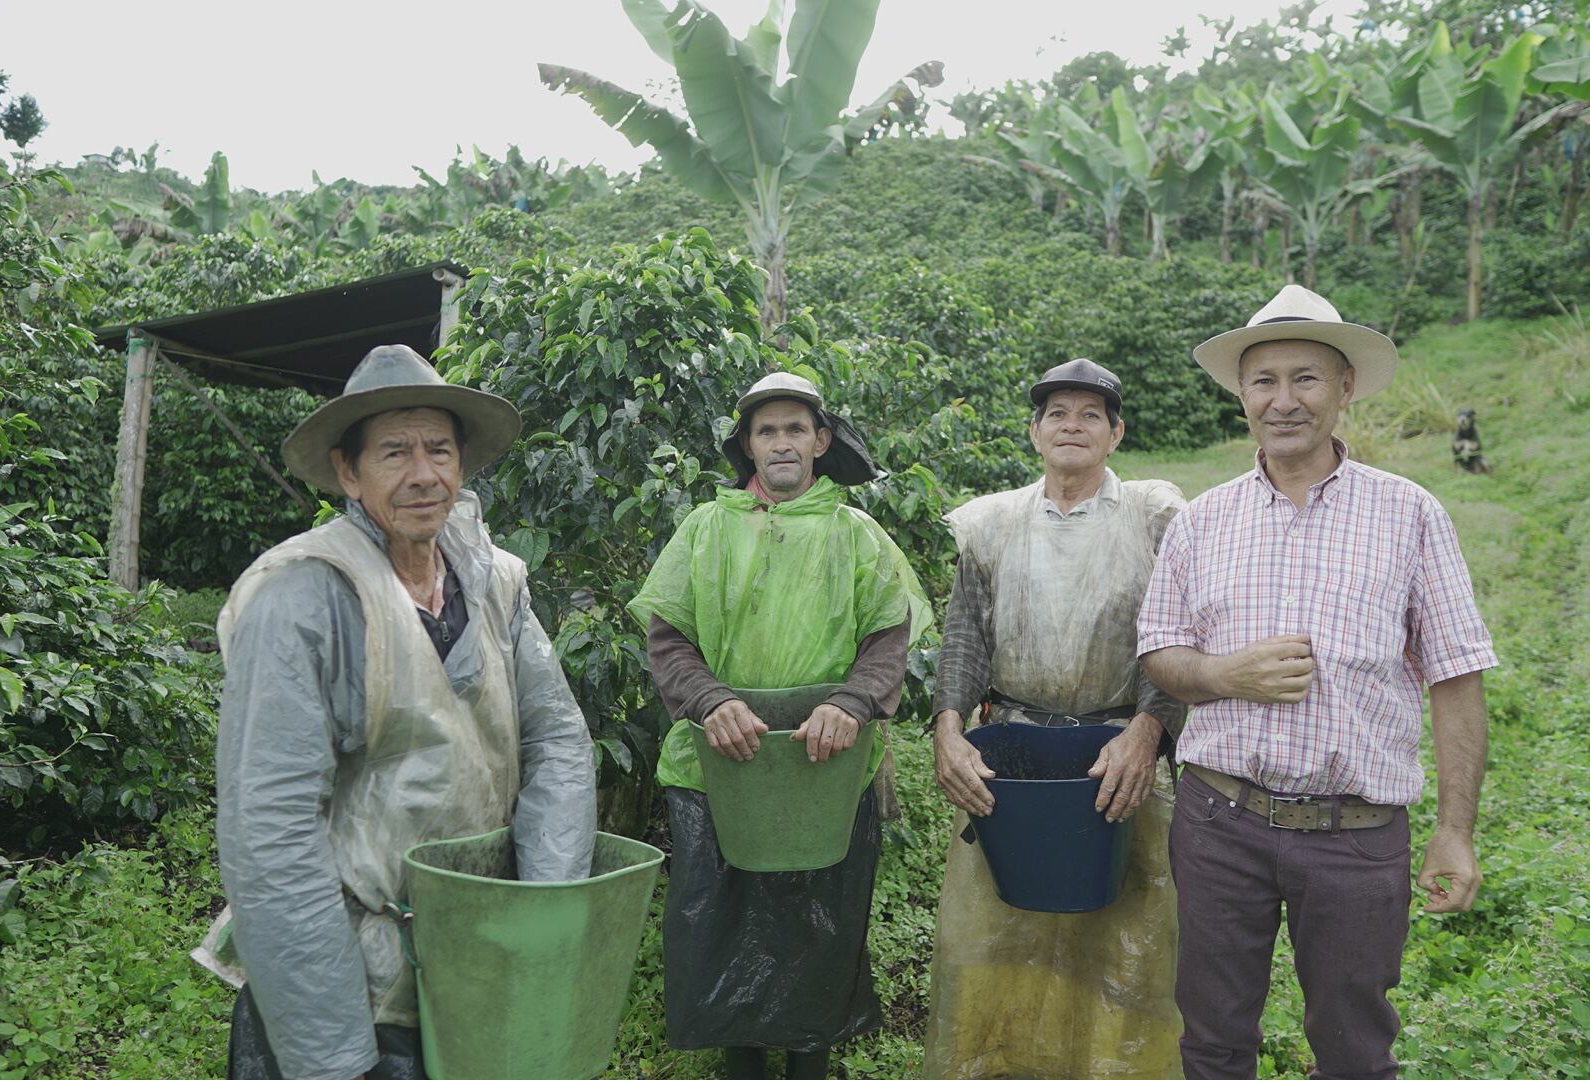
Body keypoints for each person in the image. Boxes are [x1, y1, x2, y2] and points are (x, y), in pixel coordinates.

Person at [203, 344, 597, 1080]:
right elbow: (270, 828)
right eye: (394, 453)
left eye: (440, 449)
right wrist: (334, 1051)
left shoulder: (493, 582)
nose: (424, 474)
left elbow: (557, 743)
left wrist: (541, 918)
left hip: (469, 956)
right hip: (352, 973)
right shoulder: (304, 598)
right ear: (348, 472)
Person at [1136, 285, 1497, 1080]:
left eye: (1306, 378)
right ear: (1243, 396)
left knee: (1355, 1045)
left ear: (1345, 388)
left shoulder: (1411, 515)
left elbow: (1456, 676)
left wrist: (1455, 829)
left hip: (1358, 833)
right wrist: (1223, 673)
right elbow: (1161, 651)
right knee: (1214, 1036)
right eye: (1263, 380)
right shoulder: (1203, 521)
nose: (1283, 400)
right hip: (1219, 821)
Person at [627, 372, 931, 1080]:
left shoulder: (856, 534)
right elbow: (669, 639)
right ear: (748, 448)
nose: (783, 442)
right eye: (767, 431)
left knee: (818, 919)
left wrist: (850, 705)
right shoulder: (705, 529)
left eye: (797, 428)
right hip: (720, 763)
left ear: (821, 442)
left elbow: (889, 638)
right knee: (727, 917)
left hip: (825, 764)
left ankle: (808, 1061)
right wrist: (709, 701)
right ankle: (742, 1061)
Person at [924, 358, 1188, 1079]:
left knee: (1126, 936)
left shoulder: (1153, 516)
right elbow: (965, 639)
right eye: (1058, 414)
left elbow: (1177, 635)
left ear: (1116, 433)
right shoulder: (992, 524)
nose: (1073, 426)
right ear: (1035, 432)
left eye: (1090, 415)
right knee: (997, 932)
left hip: (1121, 752)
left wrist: (1148, 729)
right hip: (1014, 753)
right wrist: (948, 725)